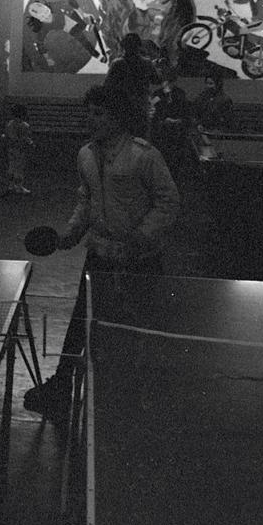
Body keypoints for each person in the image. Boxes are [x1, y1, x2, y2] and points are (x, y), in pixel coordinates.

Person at [25, 84, 180, 420]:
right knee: (81, 321)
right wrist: (69, 235)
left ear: (118, 118)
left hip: (140, 259)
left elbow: (168, 202)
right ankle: (61, 386)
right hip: (100, 254)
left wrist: (141, 236)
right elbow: (87, 200)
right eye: (89, 113)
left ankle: (139, 393)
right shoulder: (85, 155)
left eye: (99, 114)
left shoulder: (144, 155)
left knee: (140, 328)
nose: (91, 120)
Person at [105, 33, 161, 138]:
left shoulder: (117, 64)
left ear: (123, 46)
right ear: (139, 46)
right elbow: (157, 80)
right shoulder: (147, 63)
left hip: (121, 108)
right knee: (141, 140)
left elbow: (107, 85)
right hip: (141, 107)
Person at [3, 102, 34, 196]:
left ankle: (10, 186)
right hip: (20, 149)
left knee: (11, 166)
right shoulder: (24, 126)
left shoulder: (9, 124)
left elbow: (8, 136)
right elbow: (25, 138)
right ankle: (18, 187)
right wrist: (31, 143)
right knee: (19, 168)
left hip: (11, 148)